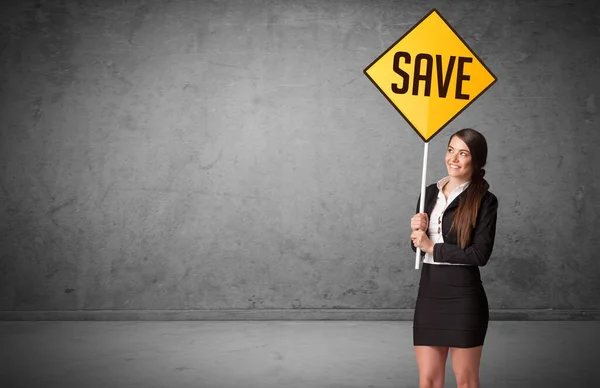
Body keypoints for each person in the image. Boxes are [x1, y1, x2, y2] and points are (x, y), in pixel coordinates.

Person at [409, 128, 499, 388]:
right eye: (451, 150)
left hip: (464, 296)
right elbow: (418, 249)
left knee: (466, 382)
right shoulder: (428, 192)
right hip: (429, 292)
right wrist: (417, 234)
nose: (454, 159)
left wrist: (431, 247)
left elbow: (479, 254)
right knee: (429, 381)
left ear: (477, 160)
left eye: (463, 153)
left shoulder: (485, 200)